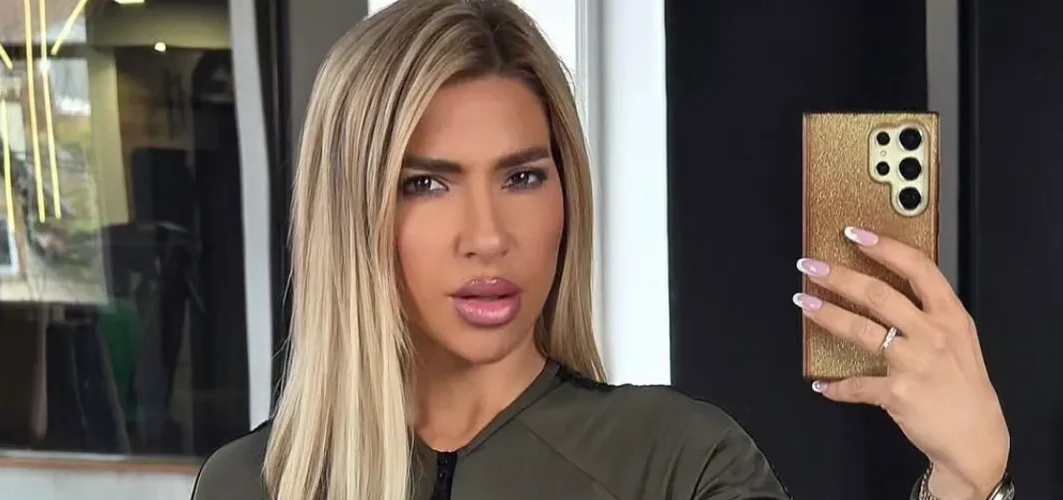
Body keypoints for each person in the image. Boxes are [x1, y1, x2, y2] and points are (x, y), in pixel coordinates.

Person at [192, 0, 1012, 498]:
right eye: (427, 183)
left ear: (568, 195)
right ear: (351, 213)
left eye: (522, 176)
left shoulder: (678, 463)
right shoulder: (250, 483)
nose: (489, 235)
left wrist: (966, 484)